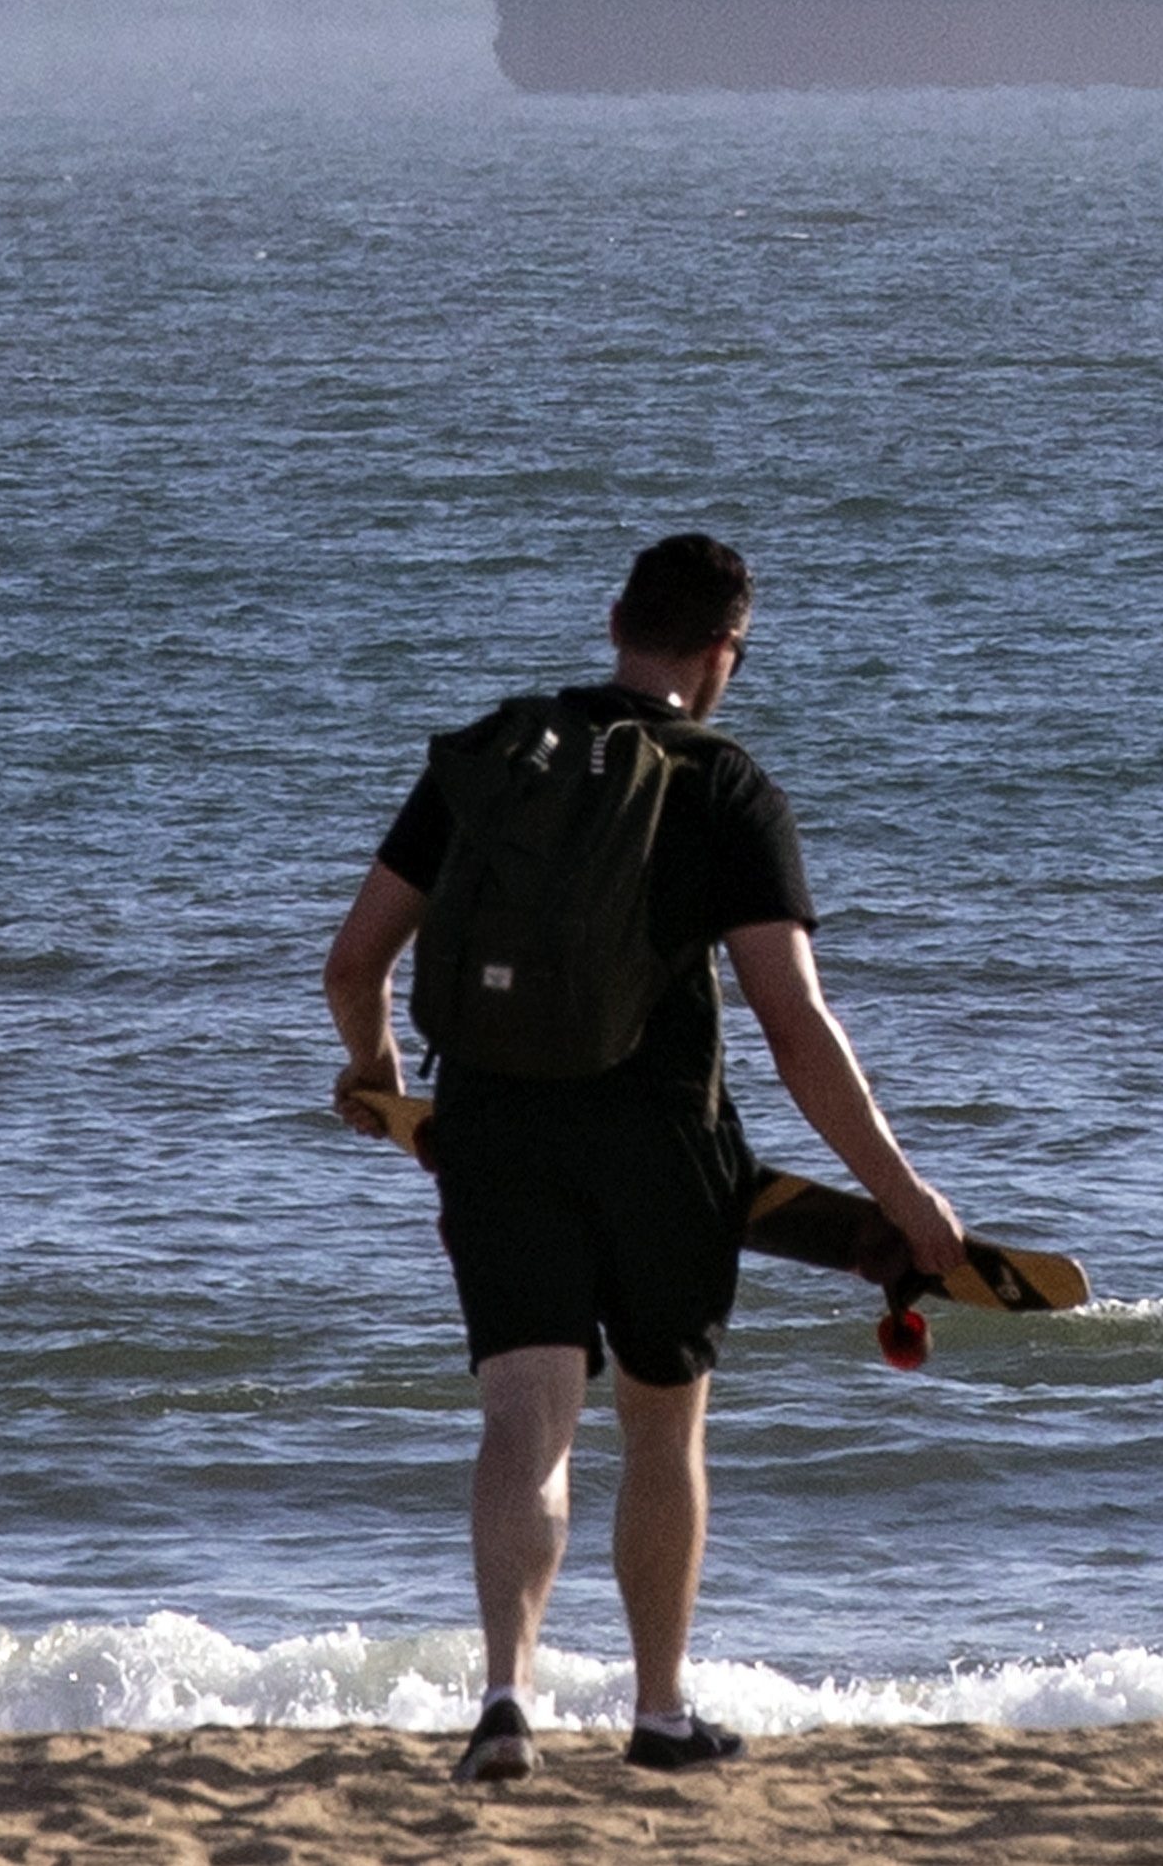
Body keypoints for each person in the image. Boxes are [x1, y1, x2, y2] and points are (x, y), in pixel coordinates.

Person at [318, 533, 967, 1786]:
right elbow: (793, 1024)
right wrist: (900, 1192)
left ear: (615, 616)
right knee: (661, 1425)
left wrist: (381, 1071)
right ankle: (659, 1711)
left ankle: (504, 1700)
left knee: (524, 1418)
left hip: (496, 1130)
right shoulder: (722, 784)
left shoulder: (494, 754)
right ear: (726, 653)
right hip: (661, 1143)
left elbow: (355, 961)